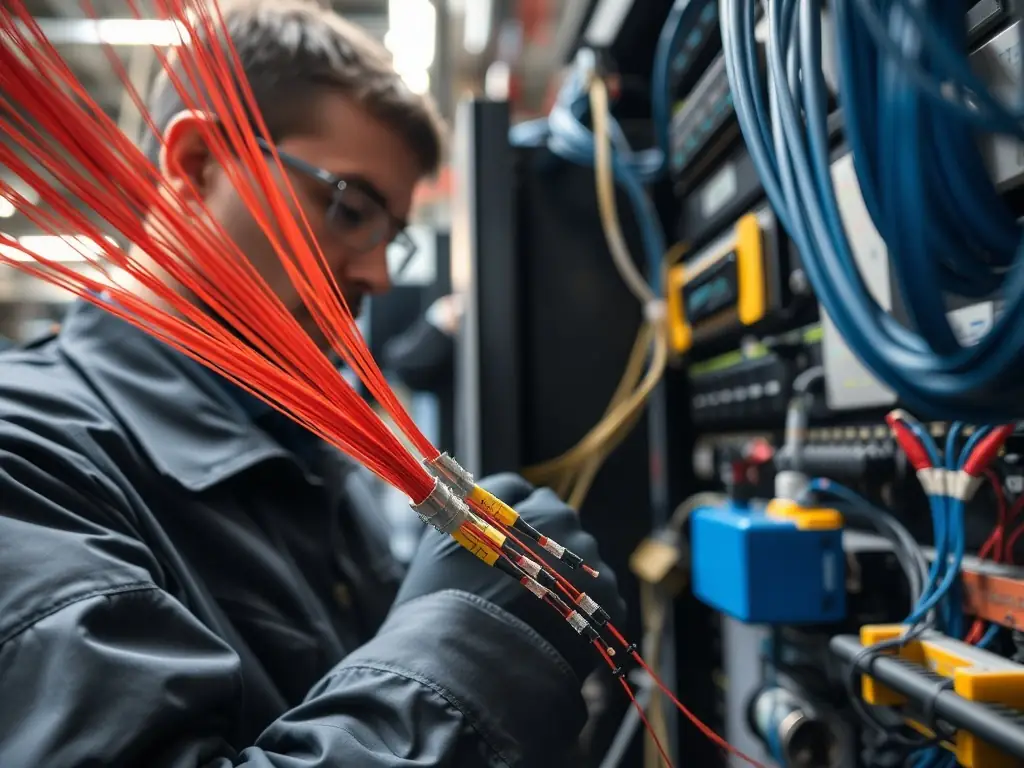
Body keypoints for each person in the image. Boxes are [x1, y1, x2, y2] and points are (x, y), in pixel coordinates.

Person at [0, 2, 625, 767]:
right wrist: (477, 649)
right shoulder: (24, 458)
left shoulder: (317, 461)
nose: (378, 274)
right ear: (198, 163)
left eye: (390, 232)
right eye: (350, 207)